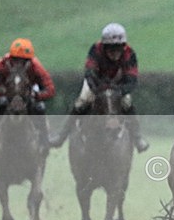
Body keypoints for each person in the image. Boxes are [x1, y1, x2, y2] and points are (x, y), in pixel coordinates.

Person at [50, 23, 149, 152]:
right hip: (97, 83)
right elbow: (90, 72)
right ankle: (61, 137)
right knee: (83, 100)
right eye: (111, 48)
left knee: (127, 103)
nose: (115, 52)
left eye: (118, 48)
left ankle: (138, 139)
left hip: (119, 86)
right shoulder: (96, 49)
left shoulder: (130, 53)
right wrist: (97, 90)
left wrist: (119, 91)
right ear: (105, 46)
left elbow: (132, 79)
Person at [0, 38, 55, 146]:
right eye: (16, 60)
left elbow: (50, 89)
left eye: (24, 61)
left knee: (39, 107)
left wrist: (36, 95)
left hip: (28, 92)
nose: (20, 63)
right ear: (11, 58)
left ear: (29, 60)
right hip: (6, 92)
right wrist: (5, 92)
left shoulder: (36, 66)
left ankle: (44, 138)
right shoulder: (2, 64)